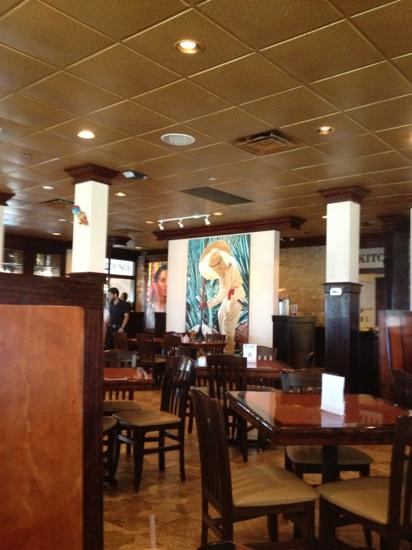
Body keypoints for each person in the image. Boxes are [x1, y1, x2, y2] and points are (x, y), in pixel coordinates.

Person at [199, 241, 245, 354]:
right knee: (220, 315)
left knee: (228, 325)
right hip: (229, 296)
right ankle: (225, 345)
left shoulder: (227, 272)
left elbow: (221, 295)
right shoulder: (226, 262)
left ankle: (228, 353)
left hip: (235, 297)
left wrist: (207, 304)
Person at [145, 264, 167, 329]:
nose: (166, 284)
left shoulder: (173, 309)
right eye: (163, 280)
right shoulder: (149, 308)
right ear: (155, 285)